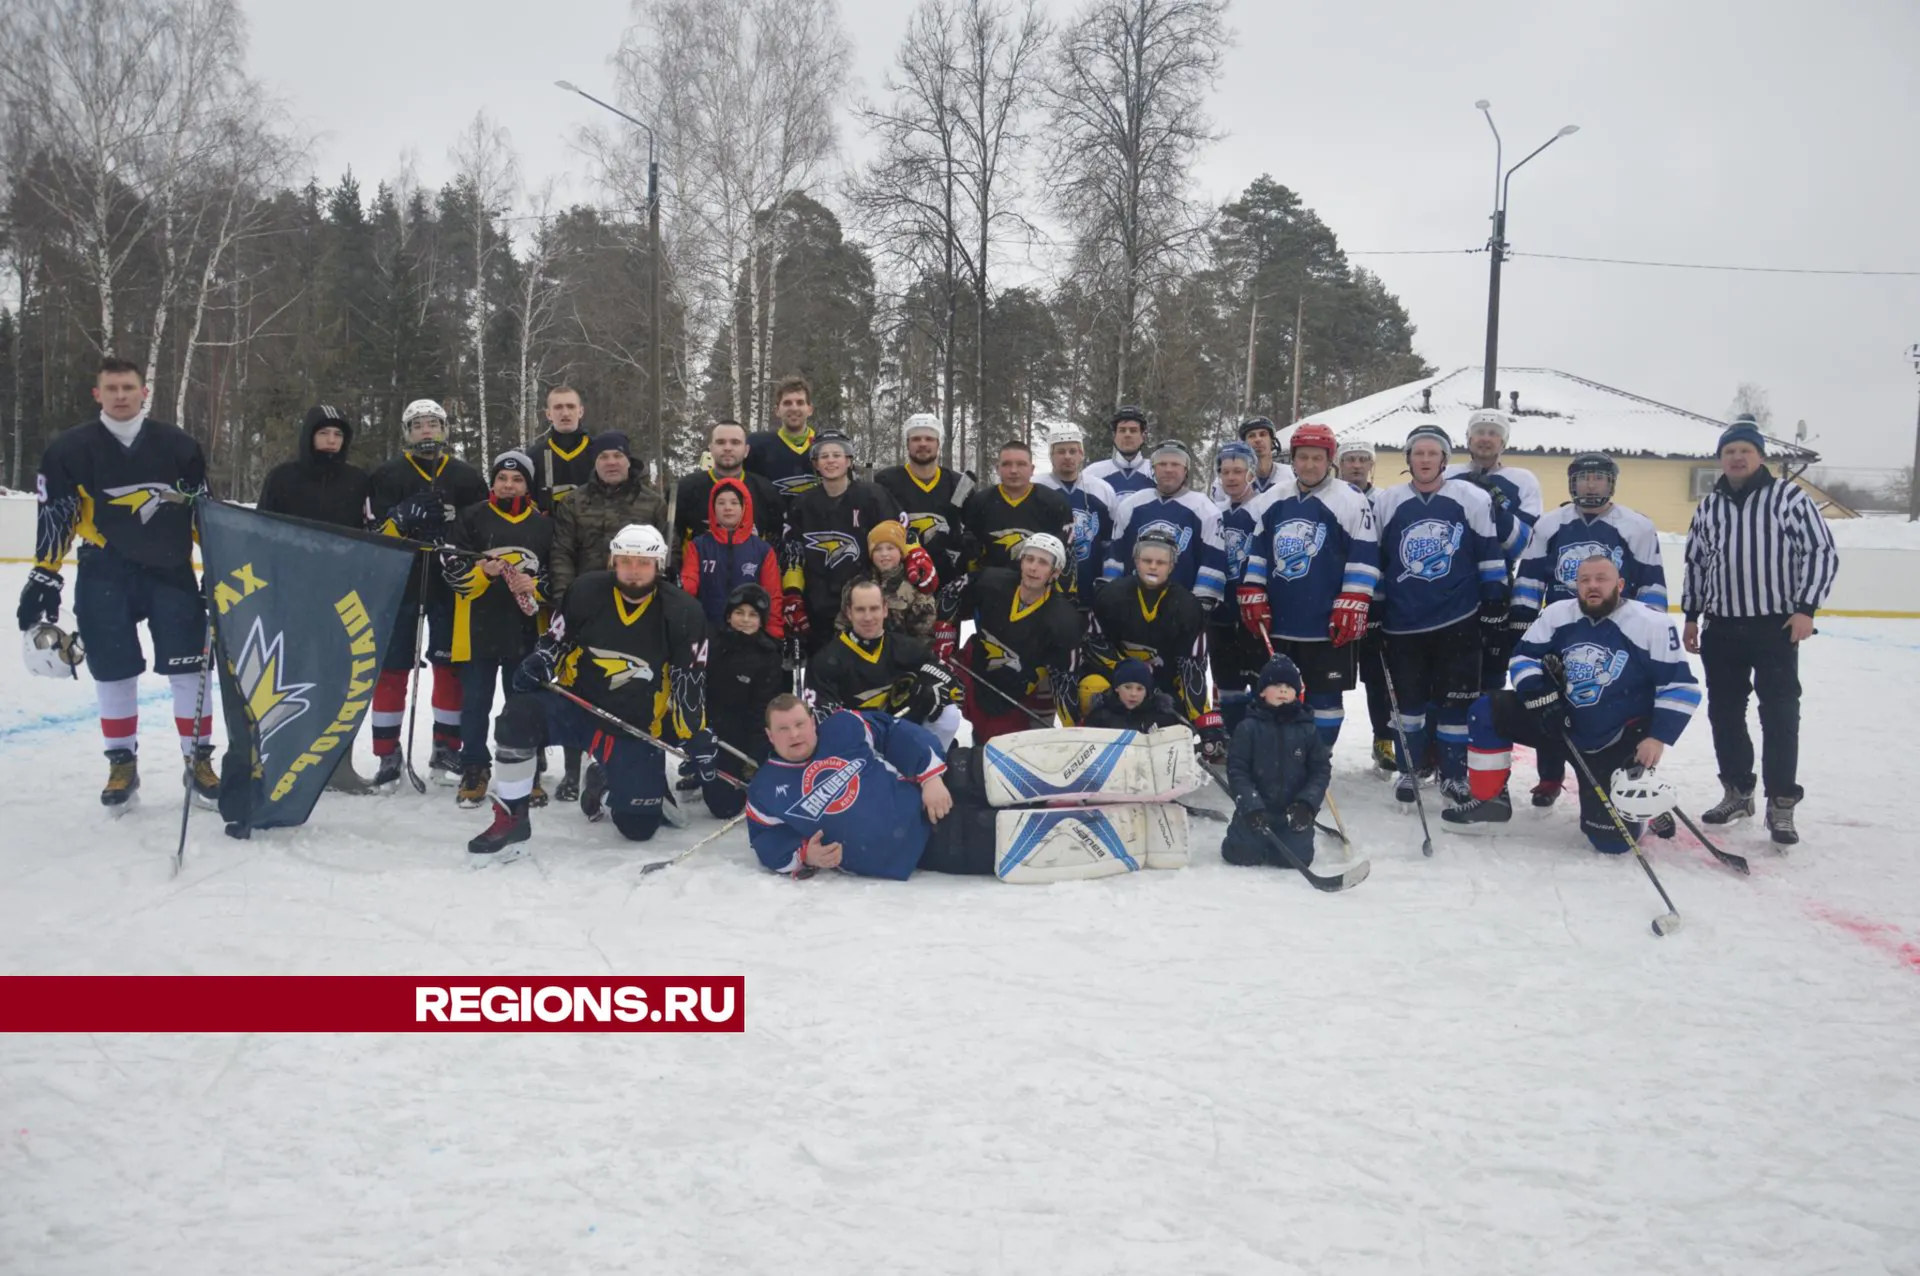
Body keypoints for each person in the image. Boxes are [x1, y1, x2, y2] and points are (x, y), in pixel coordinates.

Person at [17, 357, 219, 809]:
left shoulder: (179, 445)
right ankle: (121, 762)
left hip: (171, 572)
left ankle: (198, 760)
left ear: (144, 391)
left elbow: (202, 510)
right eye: (112, 388)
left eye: (129, 387)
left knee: (189, 669)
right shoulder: (70, 449)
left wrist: (219, 565)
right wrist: (44, 573)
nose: (121, 395)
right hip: (104, 569)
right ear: (98, 394)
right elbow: (57, 514)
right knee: (114, 669)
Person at [466, 524, 720, 857]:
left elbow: (689, 682)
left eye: (643, 563)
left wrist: (694, 733)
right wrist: (542, 661)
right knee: (517, 715)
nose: (633, 571)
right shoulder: (585, 591)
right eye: (626, 561)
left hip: (635, 726)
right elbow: (557, 642)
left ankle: (603, 782)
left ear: (658, 565)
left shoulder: (684, 612)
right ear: (613, 560)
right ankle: (513, 816)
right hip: (577, 707)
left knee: (638, 828)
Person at [1444, 554, 1701, 849]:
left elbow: (1680, 686)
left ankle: (1646, 813)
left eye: (1601, 579)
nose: (1592, 586)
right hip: (1561, 723)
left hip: (1613, 739)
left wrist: (1657, 738)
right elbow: (1524, 657)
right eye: (1584, 580)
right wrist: (1540, 696)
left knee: (1612, 842)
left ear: (1620, 584)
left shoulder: (1651, 624)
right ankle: (1489, 802)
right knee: (1486, 710)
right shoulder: (1558, 614)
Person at [1681, 414, 1839, 845]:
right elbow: (1696, 562)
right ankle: (1738, 790)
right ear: (1721, 459)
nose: (1736, 458)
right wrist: (1692, 616)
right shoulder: (1709, 506)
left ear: (1759, 456)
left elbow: (1820, 552)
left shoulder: (1788, 497)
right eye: (1729, 452)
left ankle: (1781, 804)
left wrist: (1806, 608)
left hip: (1775, 626)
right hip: (1722, 628)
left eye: (1744, 451)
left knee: (1780, 714)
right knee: (1725, 713)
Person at [1509, 453, 1668, 809]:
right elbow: (1531, 575)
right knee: (1550, 704)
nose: (1591, 485)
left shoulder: (1636, 526)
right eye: (1584, 479)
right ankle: (1550, 778)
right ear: (1572, 484)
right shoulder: (1550, 524)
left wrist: (1651, 629)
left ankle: (1636, 778)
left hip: (1616, 632)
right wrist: (1523, 620)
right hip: (1561, 632)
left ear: (1611, 483)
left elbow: (1651, 582)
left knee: (1616, 704)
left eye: (1598, 478)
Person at [1373, 423, 1519, 806]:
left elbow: (1489, 550)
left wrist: (1494, 599)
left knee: (1456, 705)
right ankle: (1409, 769)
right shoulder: (1388, 501)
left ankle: (1453, 775)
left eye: (1432, 453)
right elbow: (1377, 559)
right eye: (1418, 453)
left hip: (1458, 620)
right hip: (1403, 624)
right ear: (1409, 459)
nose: (1425, 459)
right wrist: (1375, 604)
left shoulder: (1469, 497)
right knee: (1409, 706)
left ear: (1444, 459)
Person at [364, 398, 489, 787]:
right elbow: (371, 534)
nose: (426, 431)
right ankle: (387, 754)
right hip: (399, 581)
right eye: (418, 425)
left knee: (449, 665)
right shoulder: (387, 475)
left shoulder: (466, 477)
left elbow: (483, 530)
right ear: (407, 432)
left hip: (447, 584)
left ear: (445, 429)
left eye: (433, 423)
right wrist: (400, 519)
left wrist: (454, 544)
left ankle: (446, 748)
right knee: (392, 666)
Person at [1238, 423, 1380, 750]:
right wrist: (1253, 589)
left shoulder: (1351, 499)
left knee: (1325, 697)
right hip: (1280, 619)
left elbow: (1364, 556)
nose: (1309, 465)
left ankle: (1319, 757)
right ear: (1294, 458)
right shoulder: (1272, 498)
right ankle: (1280, 754)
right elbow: (1258, 552)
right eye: (1303, 457)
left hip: (1326, 621)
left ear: (1329, 460)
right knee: (1276, 692)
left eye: (1317, 458)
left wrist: (1353, 600)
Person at [746, 696, 996, 879]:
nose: (794, 735)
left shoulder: (843, 726)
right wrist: (805, 855)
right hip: (919, 846)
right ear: (770, 735)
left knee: (968, 769)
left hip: (932, 788)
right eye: (783, 729)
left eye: (799, 724)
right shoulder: (764, 790)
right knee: (992, 831)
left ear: (812, 722)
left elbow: (895, 731)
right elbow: (766, 840)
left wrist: (930, 776)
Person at [442, 450, 552, 808]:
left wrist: (535, 585)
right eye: (502, 479)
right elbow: (452, 572)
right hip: (477, 628)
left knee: (522, 705)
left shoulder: (543, 525)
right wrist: (482, 573)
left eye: (517, 479)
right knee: (475, 702)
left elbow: (556, 575)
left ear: (528, 484)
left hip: (524, 630)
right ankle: (474, 766)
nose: (508, 485)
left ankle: (526, 770)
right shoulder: (472, 518)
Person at [1083, 529, 1223, 761]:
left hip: (1163, 685)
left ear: (1171, 566)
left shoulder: (1188, 607)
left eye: (1160, 562)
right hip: (1116, 683)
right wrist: (1127, 676)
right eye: (1147, 561)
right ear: (1136, 561)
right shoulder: (1110, 596)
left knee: (1179, 725)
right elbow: (1093, 645)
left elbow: (1193, 669)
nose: (1153, 567)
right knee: (1090, 686)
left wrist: (1202, 719)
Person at [779, 430, 908, 654]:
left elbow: (897, 538)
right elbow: (793, 553)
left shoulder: (873, 496)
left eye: (837, 455)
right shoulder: (802, 504)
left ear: (848, 460)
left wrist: (914, 558)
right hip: (817, 607)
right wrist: (793, 594)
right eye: (824, 456)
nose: (830, 461)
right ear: (815, 464)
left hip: (863, 607)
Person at [954, 533, 1085, 742]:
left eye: (1043, 563)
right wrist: (946, 638)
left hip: (1024, 697)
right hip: (979, 676)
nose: (1033, 568)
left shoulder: (1064, 621)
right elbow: (952, 598)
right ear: (1021, 561)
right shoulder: (991, 582)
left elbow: (1064, 681)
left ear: (1056, 572)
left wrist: (1074, 730)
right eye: (1029, 559)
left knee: (1021, 750)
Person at [1446, 408, 1540, 692]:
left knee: (1491, 668)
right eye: (1479, 432)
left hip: (1496, 587)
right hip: (1448, 585)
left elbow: (1522, 543)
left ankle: (1485, 734)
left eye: (1493, 433)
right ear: (1468, 438)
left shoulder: (1522, 480)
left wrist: (1495, 508)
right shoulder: (1447, 474)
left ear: (1504, 442)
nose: (1485, 439)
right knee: (1445, 666)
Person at [808, 579, 961, 750]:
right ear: (849, 613)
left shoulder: (908, 647)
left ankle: (934, 763)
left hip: (905, 734)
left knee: (949, 714)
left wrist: (933, 687)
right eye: (860, 609)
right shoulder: (825, 662)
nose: (868, 617)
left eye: (874, 609)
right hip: (859, 746)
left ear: (885, 610)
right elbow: (825, 724)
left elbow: (952, 685)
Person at [873, 413, 973, 652]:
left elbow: (972, 530)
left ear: (939, 444)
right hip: (901, 584)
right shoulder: (887, 481)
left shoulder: (959, 483)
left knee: (944, 656)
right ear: (907, 443)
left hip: (947, 584)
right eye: (916, 438)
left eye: (929, 438)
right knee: (901, 651)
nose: (923, 444)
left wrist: (961, 547)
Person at [1222, 655, 1332, 869]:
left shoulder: (1307, 729)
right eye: (1276, 685)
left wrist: (1306, 805)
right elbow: (1237, 770)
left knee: (1294, 859)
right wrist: (1250, 804)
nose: (1283, 690)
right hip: (1257, 810)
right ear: (1262, 691)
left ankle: (1288, 835)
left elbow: (1320, 770)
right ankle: (1248, 835)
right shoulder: (1248, 728)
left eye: (1289, 687)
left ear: (1297, 694)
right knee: (1241, 855)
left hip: (1292, 811)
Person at [1210, 440, 1287, 729]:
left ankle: (1262, 736)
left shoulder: (1267, 507)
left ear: (1251, 474)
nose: (1231, 477)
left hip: (1257, 610)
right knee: (1226, 680)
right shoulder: (1213, 511)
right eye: (1225, 471)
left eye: (1238, 471)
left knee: (1260, 678)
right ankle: (1233, 735)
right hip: (1222, 609)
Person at [1102, 440, 1227, 606]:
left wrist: (1198, 607)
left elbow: (1213, 562)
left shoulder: (1206, 509)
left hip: (1180, 608)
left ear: (1186, 469)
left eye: (1175, 464)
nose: (1168, 469)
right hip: (1132, 605)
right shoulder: (1131, 504)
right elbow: (1115, 555)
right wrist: (1111, 595)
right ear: (1153, 468)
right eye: (1162, 464)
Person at [698, 583, 787, 816]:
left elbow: (763, 709)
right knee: (722, 805)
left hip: (742, 735)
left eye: (753, 615)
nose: (745, 620)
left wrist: (758, 752)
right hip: (709, 729)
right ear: (728, 616)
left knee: (726, 806)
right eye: (739, 613)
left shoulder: (768, 655)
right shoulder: (712, 643)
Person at [1338, 439, 1397, 772]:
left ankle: (1383, 739)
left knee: (1378, 677)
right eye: (1350, 460)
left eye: (1363, 460)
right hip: (1333, 602)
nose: (1357, 466)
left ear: (1371, 465)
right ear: (1339, 464)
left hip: (1375, 603)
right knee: (1327, 677)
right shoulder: (1331, 498)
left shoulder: (1385, 501)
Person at [678, 477, 785, 637]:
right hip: (709, 630)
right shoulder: (699, 546)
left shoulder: (762, 549)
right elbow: (689, 582)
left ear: (744, 507)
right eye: (721, 503)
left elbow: (772, 594)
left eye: (734, 503)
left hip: (749, 632)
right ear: (713, 508)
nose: (727, 508)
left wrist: (774, 632)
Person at [961, 439, 1075, 577]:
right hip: (991, 587)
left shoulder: (1055, 503)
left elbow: (1066, 556)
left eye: (1021, 464)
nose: (1014, 471)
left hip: (1038, 590)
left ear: (1032, 469)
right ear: (997, 469)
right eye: (1006, 464)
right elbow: (970, 555)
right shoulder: (979, 502)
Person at [1033, 422, 1115, 609]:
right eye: (1061, 451)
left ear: (1082, 454)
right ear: (1051, 455)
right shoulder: (1036, 488)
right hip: (1046, 589)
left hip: (1091, 586)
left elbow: (1110, 543)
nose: (1067, 456)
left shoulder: (1101, 489)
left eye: (1073, 451)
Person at [671, 420, 782, 551]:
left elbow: (775, 540)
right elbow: (672, 541)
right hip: (697, 569)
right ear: (710, 449)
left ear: (746, 450)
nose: (727, 448)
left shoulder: (765, 489)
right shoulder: (685, 489)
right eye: (720, 442)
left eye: (735, 442)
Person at [256, 403, 370, 529]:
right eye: (323, 433)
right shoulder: (281, 477)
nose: (331, 440)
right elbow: (262, 529)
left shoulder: (358, 480)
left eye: (338, 434)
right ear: (310, 436)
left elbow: (366, 533)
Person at [837, 520, 936, 639]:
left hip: (902, 653)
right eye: (878, 549)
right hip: (861, 652)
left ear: (901, 552)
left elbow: (924, 635)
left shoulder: (915, 587)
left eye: (890, 548)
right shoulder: (856, 584)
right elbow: (842, 624)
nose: (884, 554)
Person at [745, 374, 822, 507]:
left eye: (800, 402)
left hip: (817, 526)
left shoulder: (826, 445)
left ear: (810, 409)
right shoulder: (757, 446)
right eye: (787, 403)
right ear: (777, 410)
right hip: (773, 526)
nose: (794, 408)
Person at [527, 385, 594, 509]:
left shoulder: (599, 452)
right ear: (548, 414)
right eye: (558, 407)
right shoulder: (533, 457)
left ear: (581, 411)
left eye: (571, 406)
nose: (565, 413)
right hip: (549, 527)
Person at [1082, 657, 1188, 731]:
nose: (1133, 694)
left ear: (1147, 691)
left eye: (1139, 689)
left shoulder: (1162, 718)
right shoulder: (1099, 718)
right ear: (1117, 688)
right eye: (1127, 687)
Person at [1207, 416, 1289, 502]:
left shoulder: (1290, 475)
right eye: (1251, 436)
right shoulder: (1224, 481)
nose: (1258, 439)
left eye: (1263, 434)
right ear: (1244, 444)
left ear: (1272, 442)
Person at [1084, 405, 1155, 498]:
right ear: (1114, 435)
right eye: (1122, 430)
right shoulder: (1093, 473)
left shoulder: (1156, 471)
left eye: (1133, 430)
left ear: (1143, 436)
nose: (1127, 435)